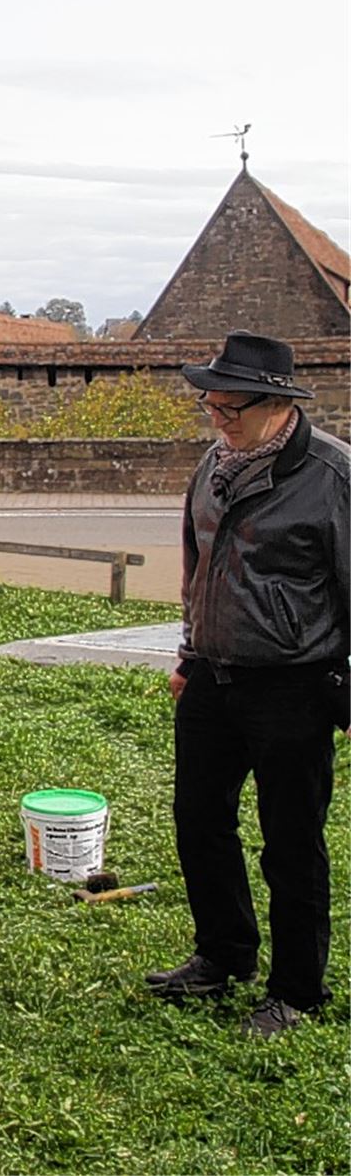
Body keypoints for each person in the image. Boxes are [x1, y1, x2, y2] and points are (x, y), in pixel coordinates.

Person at [146, 331, 350, 1037]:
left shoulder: (333, 477)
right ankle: (223, 954)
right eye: (211, 406)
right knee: (198, 819)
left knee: (291, 842)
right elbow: (196, 566)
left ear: (277, 405)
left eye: (231, 408)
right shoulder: (214, 464)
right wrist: (188, 653)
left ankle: (296, 991)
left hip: (294, 684)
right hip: (213, 674)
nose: (218, 419)